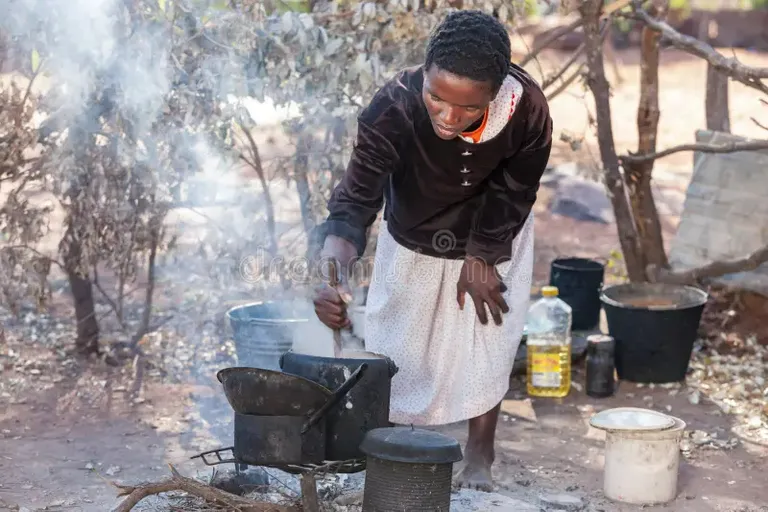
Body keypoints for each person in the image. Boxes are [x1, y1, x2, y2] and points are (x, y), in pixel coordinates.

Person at [312, 9, 552, 491]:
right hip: (416, 231)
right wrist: (331, 275)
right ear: (424, 73)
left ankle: (480, 452)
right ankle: (392, 444)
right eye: (437, 98)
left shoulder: (525, 109)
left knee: (487, 333)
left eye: (467, 108)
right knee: (397, 336)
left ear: (495, 92)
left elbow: (515, 190)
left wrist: (483, 256)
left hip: (495, 230)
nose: (448, 117)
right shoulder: (392, 108)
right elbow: (355, 200)